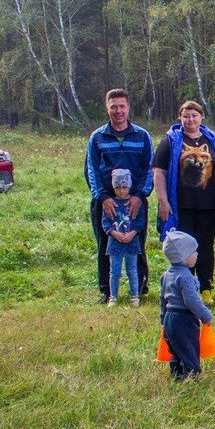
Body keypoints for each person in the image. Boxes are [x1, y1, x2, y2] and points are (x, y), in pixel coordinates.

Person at [153, 100, 215, 305]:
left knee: (205, 247)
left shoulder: (213, 140)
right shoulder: (170, 141)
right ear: (180, 117)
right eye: (186, 116)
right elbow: (159, 172)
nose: (190, 120)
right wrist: (163, 201)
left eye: (194, 115)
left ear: (201, 117)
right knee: (184, 248)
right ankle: (185, 288)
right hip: (181, 206)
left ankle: (205, 288)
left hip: (209, 205)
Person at [86, 88, 153, 302]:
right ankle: (107, 292)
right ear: (107, 108)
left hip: (134, 202)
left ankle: (139, 289)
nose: (118, 111)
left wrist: (139, 196)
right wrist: (103, 197)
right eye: (113, 106)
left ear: (128, 107)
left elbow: (149, 169)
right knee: (105, 245)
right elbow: (92, 170)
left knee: (137, 244)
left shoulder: (142, 136)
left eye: (122, 106)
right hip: (106, 203)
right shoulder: (97, 137)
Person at [160, 229, 214, 381]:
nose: (197, 254)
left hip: (170, 318)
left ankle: (176, 376)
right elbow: (191, 300)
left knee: (176, 349)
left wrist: (163, 321)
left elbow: (163, 300)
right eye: (194, 252)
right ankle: (191, 377)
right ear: (184, 257)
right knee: (189, 348)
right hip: (184, 319)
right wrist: (205, 315)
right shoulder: (185, 277)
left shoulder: (167, 275)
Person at [101, 168, 147, 307]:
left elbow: (140, 222)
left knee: (132, 271)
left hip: (132, 243)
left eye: (125, 187)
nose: (122, 191)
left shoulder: (135, 203)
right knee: (114, 272)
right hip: (114, 244)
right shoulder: (110, 204)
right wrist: (115, 234)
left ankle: (135, 296)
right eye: (118, 187)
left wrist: (132, 233)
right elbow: (105, 222)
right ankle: (113, 297)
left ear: (130, 186)